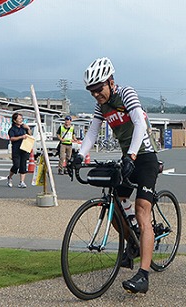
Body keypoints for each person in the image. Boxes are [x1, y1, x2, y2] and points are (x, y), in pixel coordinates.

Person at [73, 57, 159, 294]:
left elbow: (139, 124)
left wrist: (131, 156)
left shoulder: (127, 93)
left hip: (144, 156)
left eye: (98, 89)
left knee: (142, 209)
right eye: (91, 91)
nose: (95, 94)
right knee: (115, 207)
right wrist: (80, 155)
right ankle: (133, 243)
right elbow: (92, 131)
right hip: (127, 157)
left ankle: (143, 275)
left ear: (110, 82)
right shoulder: (101, 105)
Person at [7, 112, 32, 188]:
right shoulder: (12, 129)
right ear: (14, 120)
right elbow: (12, 138)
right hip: (16, 149)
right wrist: (21, 137)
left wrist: (28, 128)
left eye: (21, 119)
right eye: (19, 119)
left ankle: (22, 182)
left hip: (24, 148)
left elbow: (30, 134)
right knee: (16, 165)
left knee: (23, 165)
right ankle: (10, 177)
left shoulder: (23, 127)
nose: (21, 120)